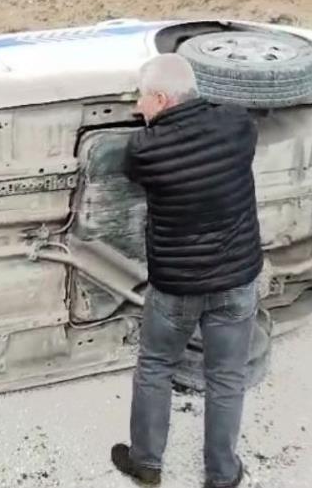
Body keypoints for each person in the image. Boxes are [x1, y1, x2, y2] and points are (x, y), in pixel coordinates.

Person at [111, 54, 262, 488]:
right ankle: (222, 473)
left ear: (160, 97)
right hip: (236, 280)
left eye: (143, 98)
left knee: (156, 365)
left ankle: (147, 463)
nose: (139, 107)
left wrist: (151, 126)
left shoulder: (144, 148)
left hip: (176, 287)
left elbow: (132, 169)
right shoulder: (237, 126)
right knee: (227, 377)